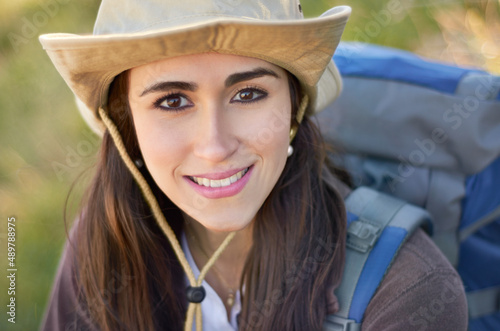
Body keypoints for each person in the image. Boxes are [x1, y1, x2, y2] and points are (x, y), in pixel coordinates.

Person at [39, 0, 468, 330]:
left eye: (247, 94)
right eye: (172, 101)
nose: (215, 146)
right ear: (124, 122)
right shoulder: (106, 247)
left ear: (295, 105)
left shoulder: (408, 290)